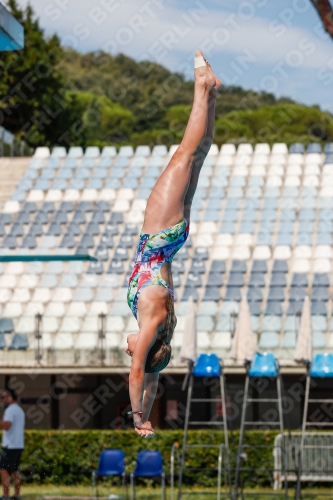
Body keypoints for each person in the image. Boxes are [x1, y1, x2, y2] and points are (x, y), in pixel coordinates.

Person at [126, 50, 222, 438]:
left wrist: (146, 410)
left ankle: (210, 93)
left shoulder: (161, 324)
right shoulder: (150, 323)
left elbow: (149, 381)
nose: (127, 350)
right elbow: (139, 375)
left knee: (196, 155)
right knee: (184, 154)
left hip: (172, 238)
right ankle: (202, 88)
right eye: (133, 352)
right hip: (159, 234)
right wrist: (138, 419)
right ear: (145, 350)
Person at [0, 389, 25, 500]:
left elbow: (7, 426)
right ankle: (16, 495)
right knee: (15, 471)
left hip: (10, 446)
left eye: (3, 397)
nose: (2, 400)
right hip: (18, 445)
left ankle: (6, 496)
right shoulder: (20, 410)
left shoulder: (10, 410)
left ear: (9, 397)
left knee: (3, 469)